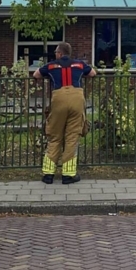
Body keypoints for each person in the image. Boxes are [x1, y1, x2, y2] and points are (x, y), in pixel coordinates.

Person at [33, 41, 95, 184]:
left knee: (55, 136)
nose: (55, 54)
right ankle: (68, 175)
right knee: (72, 137)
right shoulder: (79, 64)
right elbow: (92, 73)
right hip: (77, 99)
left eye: (56, 52)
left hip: (59, 100)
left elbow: (36, 74)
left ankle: (48, 174)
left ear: (60, 53)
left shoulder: (51, 65)